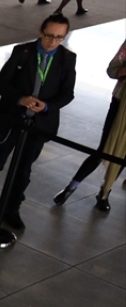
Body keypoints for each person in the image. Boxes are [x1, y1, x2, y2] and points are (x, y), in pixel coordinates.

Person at [0, 13, 76, 229]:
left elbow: (67, 94)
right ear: (40, 32)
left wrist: (46, 106)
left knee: (24, 170)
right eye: (49, 36)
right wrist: (20, 99)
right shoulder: (23, 52)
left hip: (39, 125)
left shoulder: (67, 59)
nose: (53, 42)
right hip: (11, 119)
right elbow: (1, 83)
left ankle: (12, 209)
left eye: (59, 37)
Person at [53, 39, 126, 212]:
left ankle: (105, 191)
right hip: (120, 102)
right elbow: (112, 70)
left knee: (124, 155)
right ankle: (72, 186)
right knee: (103, 150)